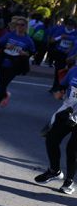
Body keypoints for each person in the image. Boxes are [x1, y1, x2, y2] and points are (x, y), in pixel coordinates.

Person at [34, 66, 77, 195]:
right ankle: (55, 171)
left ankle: (69, 181)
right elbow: (62, 85)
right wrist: (59, 91)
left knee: (73, 148)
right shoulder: (74, 70)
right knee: (51, 139)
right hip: (68, 110)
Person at [0, 15, 35, 116]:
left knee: (4, 84)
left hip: (15, 65)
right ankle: (5, 94)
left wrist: (24, 53)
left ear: (26, 27)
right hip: (3, 61)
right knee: (1, 84)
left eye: (22, 25)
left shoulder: (28, 40)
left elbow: (32, 52)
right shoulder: (9, 35)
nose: (19, 26)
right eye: (17, 24)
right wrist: (6, 45)